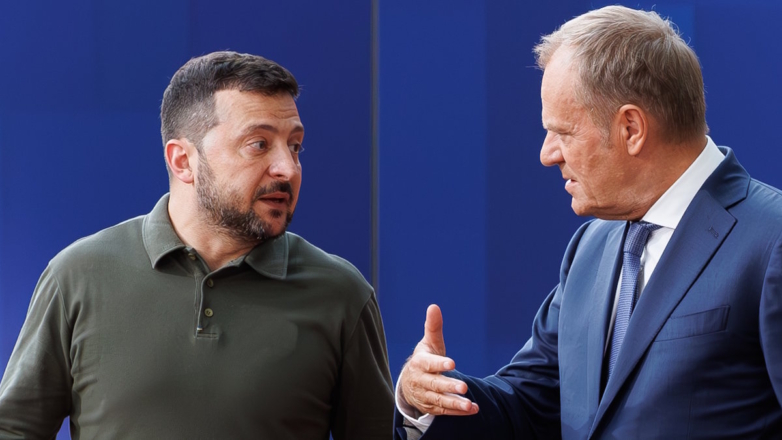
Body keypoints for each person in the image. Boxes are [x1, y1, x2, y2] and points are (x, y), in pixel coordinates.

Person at [394, 6, 782, 439]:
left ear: (631, 128)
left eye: (563, 132)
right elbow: (529, 404)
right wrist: (426, 398)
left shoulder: (772, 242)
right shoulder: (591, 246)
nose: (547, 154)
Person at [0, 51, 393, 439]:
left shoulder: (341, 293)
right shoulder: (78, 275)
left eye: (294, 146)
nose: (287, 169)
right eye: (259, 144)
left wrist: (411, 405)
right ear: (183, 161)